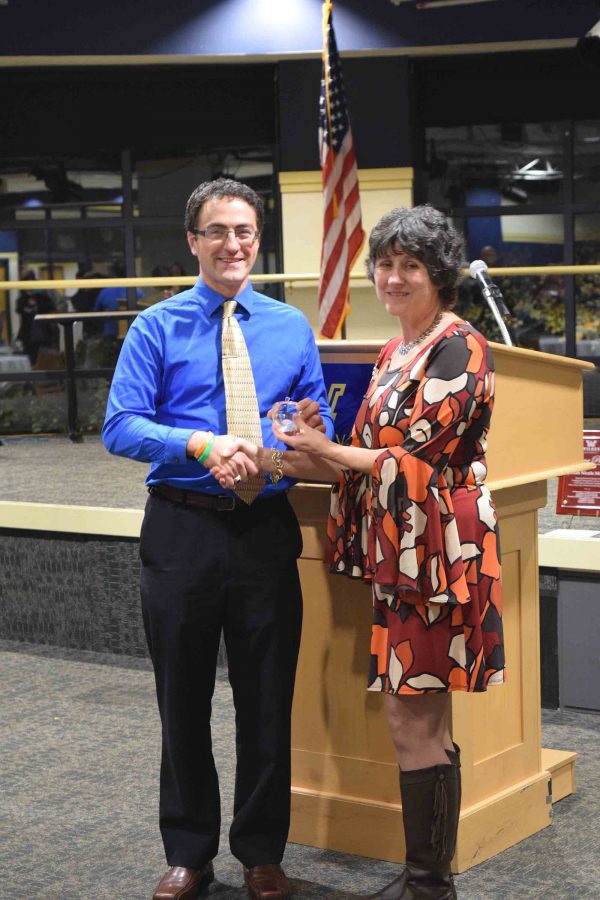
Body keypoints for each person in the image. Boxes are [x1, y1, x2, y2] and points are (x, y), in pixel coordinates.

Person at [214, 205, 505, 900]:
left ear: (438, 274)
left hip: (438, 554)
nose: (394, 278)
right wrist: (315, 440)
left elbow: (407, 461)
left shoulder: (459, 347)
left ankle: (429, 887)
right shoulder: (393, 349)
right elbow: (368, 451)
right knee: (416, 713)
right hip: (401, 553)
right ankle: (427, 881)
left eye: (410, 266)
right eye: (385, 264)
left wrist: (323, 449)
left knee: (415, 714)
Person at [102, 177, 333, 900]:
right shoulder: (156, 327)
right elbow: (121, 425)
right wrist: (200, 443)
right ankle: (189, 851)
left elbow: (313, 416)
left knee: (267, 698)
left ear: (257, 240)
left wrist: (280, 442)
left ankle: (262, 852)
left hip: (264, 527)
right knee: (184, 698)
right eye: (218, 232)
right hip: (183, 530)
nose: (233, 245)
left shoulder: (290, 327)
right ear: (194, 241)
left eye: (244, 232)